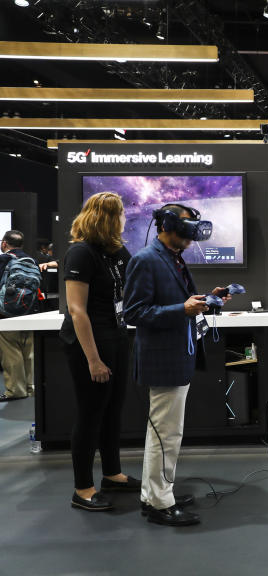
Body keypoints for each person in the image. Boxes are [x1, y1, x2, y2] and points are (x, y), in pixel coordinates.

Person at [124, 203, 231, 527]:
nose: (190, 239)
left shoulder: (173, 258)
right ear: (168, 226)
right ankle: (159, 503)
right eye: (186, 232)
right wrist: (181, 310)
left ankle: (153, 494)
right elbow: (134, 313)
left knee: (164, 432)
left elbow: (172, 301)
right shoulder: (145, 260)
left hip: (177, 355)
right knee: (165, 434)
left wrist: (203, 299)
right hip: (163, 359)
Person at [61, 193, 140, 512]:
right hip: (89, 344)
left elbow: (138, 281)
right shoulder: (81, 253)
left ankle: (112, 473)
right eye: (121, 213)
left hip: (117, 337)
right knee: (91, 413)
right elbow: (77, 311)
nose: (125, 218)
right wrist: (93, 359)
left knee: (112, 410)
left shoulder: (116, 251)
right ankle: (82, 489)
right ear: (107, 217)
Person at [0, 230, 35, 401]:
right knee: (29, 351)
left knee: (11, 352)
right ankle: (32, 387)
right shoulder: (30, 260)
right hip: (28, 311)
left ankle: (16, 390)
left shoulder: (4, 260)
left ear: (5, 244)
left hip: (6, 313)